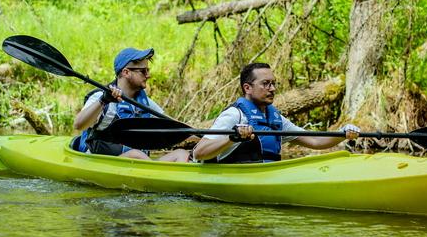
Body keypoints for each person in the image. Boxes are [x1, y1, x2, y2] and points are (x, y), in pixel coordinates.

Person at [192, 62, 360, 163]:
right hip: (229, 176)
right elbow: (199, 153)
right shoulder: (235, 115)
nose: (272, 89)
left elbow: (316, 141)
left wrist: (343, 133)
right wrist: (232, 138)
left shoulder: (277, 119)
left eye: (273, 83)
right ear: (247, 88)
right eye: (266, 83)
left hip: (265, 176)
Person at [72, 47, 190, 162]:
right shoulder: (101, 97)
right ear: (126, 72)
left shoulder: (145, 103)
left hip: (137, 165)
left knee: (181, 154)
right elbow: (78, 125)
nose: (148, 75)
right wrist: (103, 101)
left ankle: (155, 171)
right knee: (135, 155)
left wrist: (198, 134)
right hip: (100, 163)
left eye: (148, 70)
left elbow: (176, 126)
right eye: (143, 71)